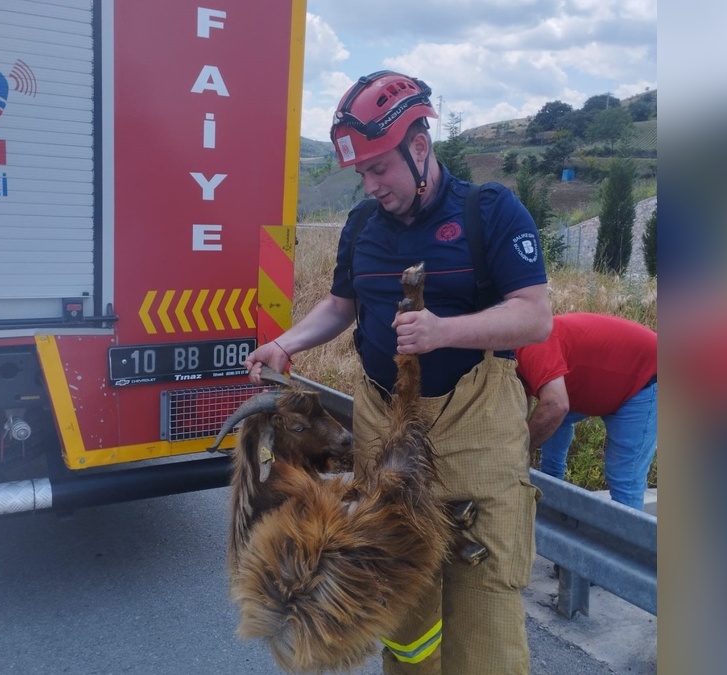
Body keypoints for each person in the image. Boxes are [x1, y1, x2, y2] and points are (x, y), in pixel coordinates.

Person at [244, 70, 551, 675]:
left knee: (484, 614)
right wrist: (284, 343)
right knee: (402, 612)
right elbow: (342, 306)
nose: (371, 184)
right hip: (384, 426)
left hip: (476, 433)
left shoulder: (489, 211)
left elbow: (534, 317)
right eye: (361, 172)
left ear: (418, 146)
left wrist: (444, 332)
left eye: (379, 167)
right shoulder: (363, 227)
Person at [514, 312, 658, 510]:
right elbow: (524, 404)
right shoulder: (514, 356)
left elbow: (556, 406)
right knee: (550, 420)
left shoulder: (532, 347)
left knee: (626, 478)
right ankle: (549, 494)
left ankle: (628, 539)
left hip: (646, 375)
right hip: (607, 376)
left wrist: (519, 451)